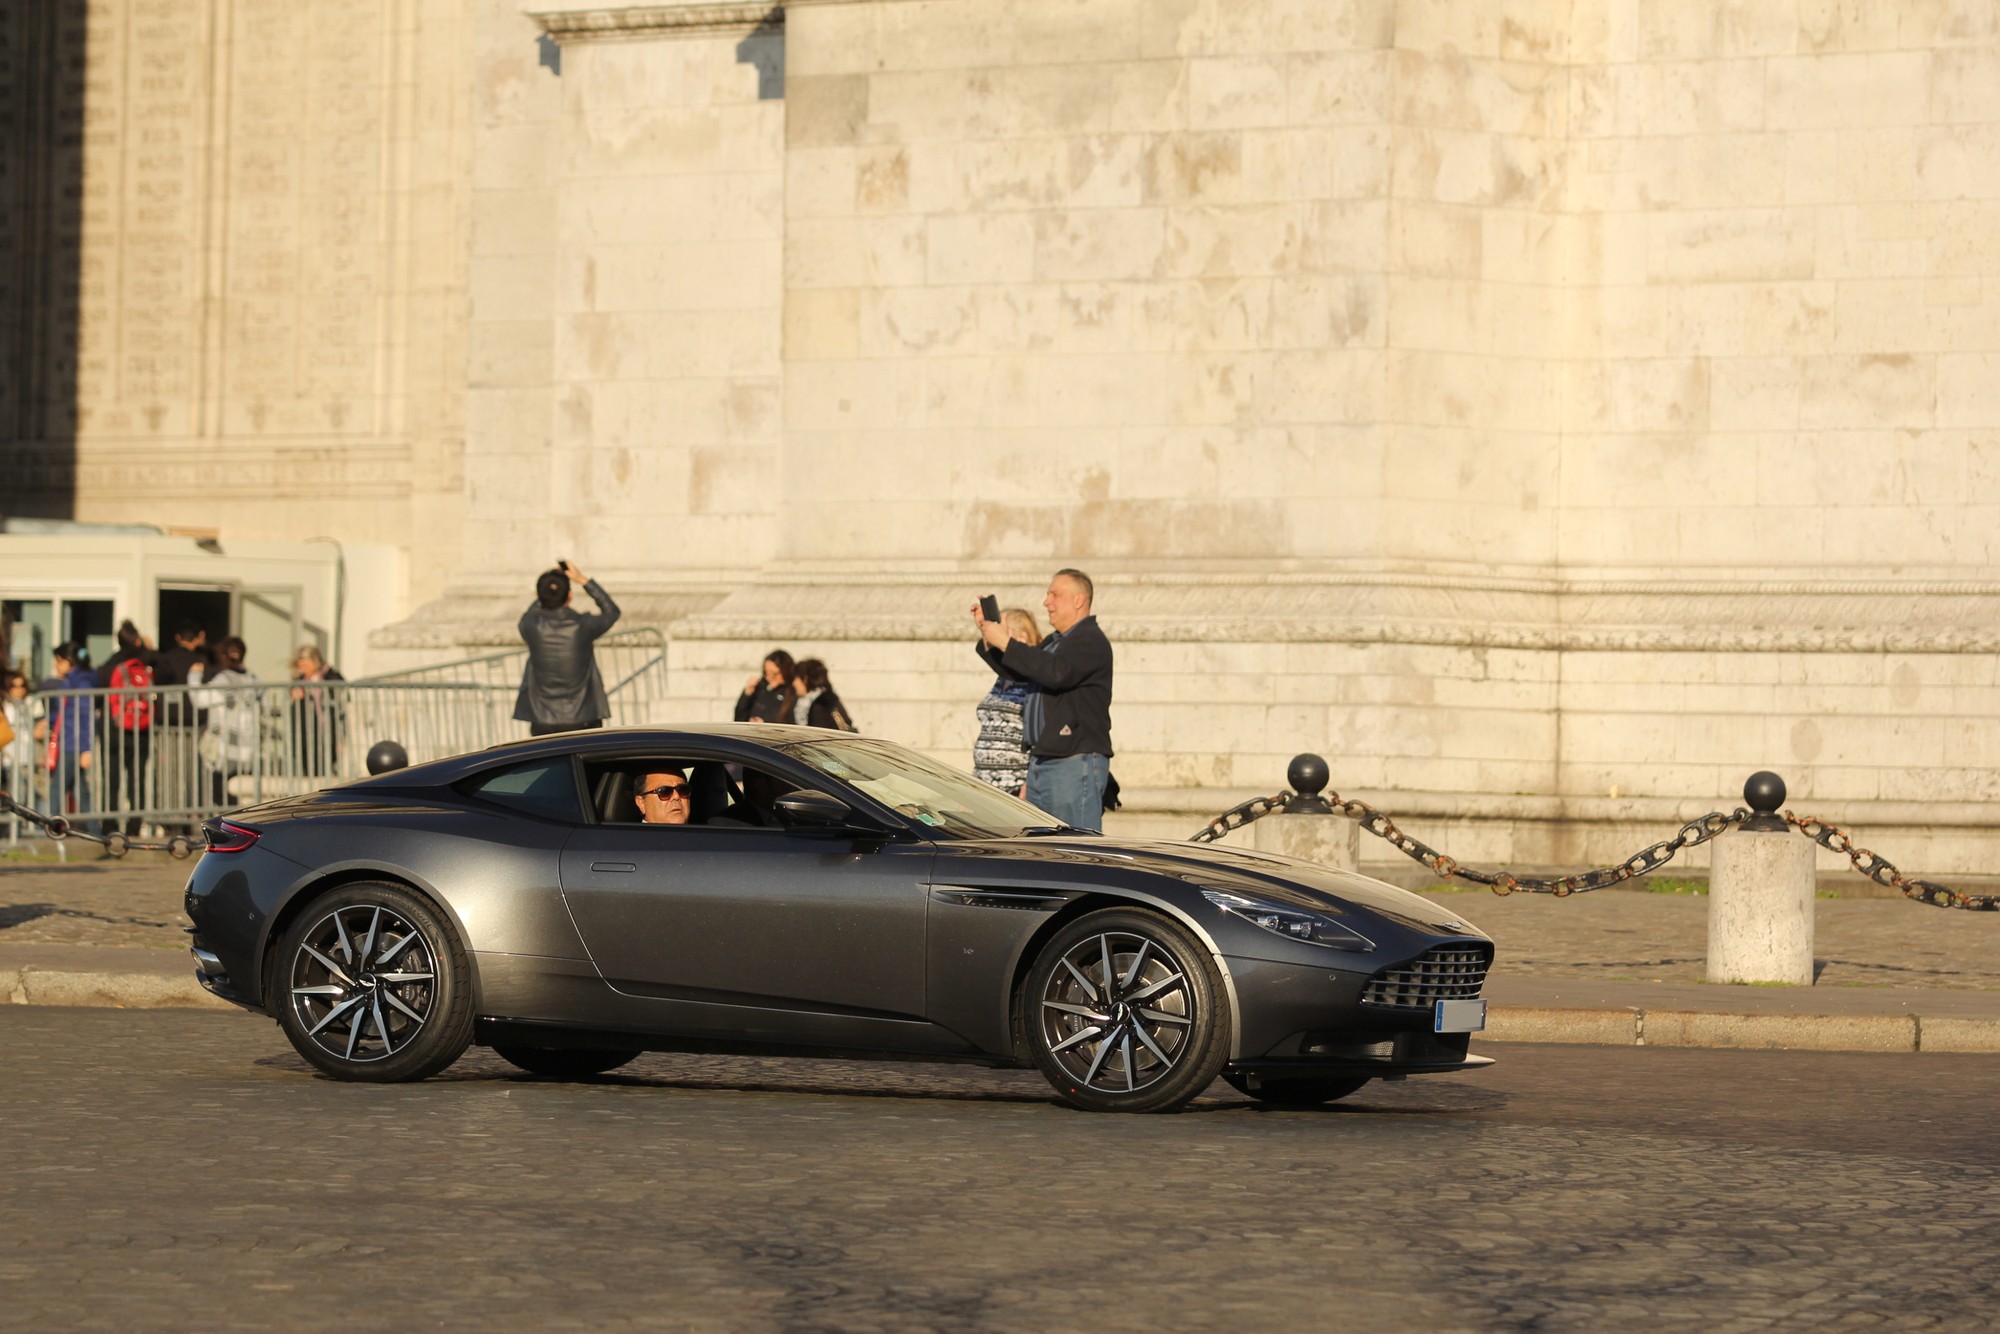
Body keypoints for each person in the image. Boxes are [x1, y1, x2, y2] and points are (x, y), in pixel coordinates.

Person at [973, 569, 1113, 832]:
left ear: (1078, 600)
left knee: (1076, 852)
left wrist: (1005, 640)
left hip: (1072, 762)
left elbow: (1056, 672)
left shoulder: (1089, 639)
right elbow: (1020, 671)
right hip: (1043, 761)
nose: (1046, 602)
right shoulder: (1055, 642)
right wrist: (989, 636)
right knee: (1044, 849)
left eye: (1054, 595)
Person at [515, 561, 622, 736]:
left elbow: (532, 611)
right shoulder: (583, 625)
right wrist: (582, 579)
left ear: (538, 596)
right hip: (583, 718)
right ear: (570, 596)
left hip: (542, 719)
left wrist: (547, 589)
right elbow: (612, 611)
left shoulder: (529, 625)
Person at [96, 620, 158, 837]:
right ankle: (134, 825)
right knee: (137, 779)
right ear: (138, 639)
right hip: (140, 730)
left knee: (111, 779)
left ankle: (110, 826)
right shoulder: (147, 662)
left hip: (113, 730)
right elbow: (168, 671)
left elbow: (99, 690)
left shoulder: (110, 665)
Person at [972, 608, 1041, 794]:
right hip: (985, 784)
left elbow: (1038, 737)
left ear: (1022, 636)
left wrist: (1027, 791)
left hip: (1013, 786)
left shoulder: (1033, 677)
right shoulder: (1004, 676)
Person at [33, 642, 99, 832]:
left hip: (74, 743)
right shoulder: (74, 680)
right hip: (70, 740)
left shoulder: (81, 682)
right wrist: (49, 720)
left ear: (68, 661)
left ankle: (50, 830)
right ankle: (95, 831)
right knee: (81, 793)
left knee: (56, 789)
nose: (55, 666)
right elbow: (67, 711)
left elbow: (85, 716)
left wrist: (87, 749)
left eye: (58, 661)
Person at [192, 636, 260, 806]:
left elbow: (200, 700)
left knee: (222, 795)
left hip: (225, 747)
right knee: (244, 796)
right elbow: (264, 706)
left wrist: (193, 676)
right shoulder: (253, 680)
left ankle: (229, 831)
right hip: (247, 747)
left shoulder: (224, 680)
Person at [288, 644, 346, 776]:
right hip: (304, 732)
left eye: (306, 665)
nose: (303, 669)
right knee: (307, 766)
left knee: (325, 765)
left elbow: (340, 700)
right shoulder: (299, 679)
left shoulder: (331, 676)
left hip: (327, 730)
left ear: (315, 661)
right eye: (300, 666)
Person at [789, 658, 856, 731]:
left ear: (805, 680)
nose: (794, 683)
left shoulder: (819, 706)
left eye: (796, 679)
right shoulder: (829, 698)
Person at [734, 650, 796, 725]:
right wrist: (747, 694)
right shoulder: (761, 688)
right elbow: (739, 718)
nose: (769, 677)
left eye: (774, 674)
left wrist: (765, 725)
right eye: (766, 673)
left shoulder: (793, 692)